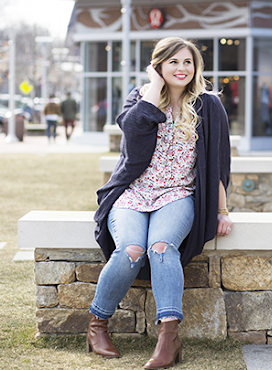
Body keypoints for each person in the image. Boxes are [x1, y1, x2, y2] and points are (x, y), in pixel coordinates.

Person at [88, 37, 232, 368]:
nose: (182, 68)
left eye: (188, 62)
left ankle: (169, 338)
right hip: (133, 193)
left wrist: (222, 210)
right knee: (130, 251)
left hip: (177, 195)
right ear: (158, 66)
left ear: (196, 68)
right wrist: (153, 87)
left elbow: (218, 165)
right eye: (173, 62)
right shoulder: (139, 98)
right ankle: (97, 326)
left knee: (162, 248)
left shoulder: (208, 105)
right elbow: (133, 131)